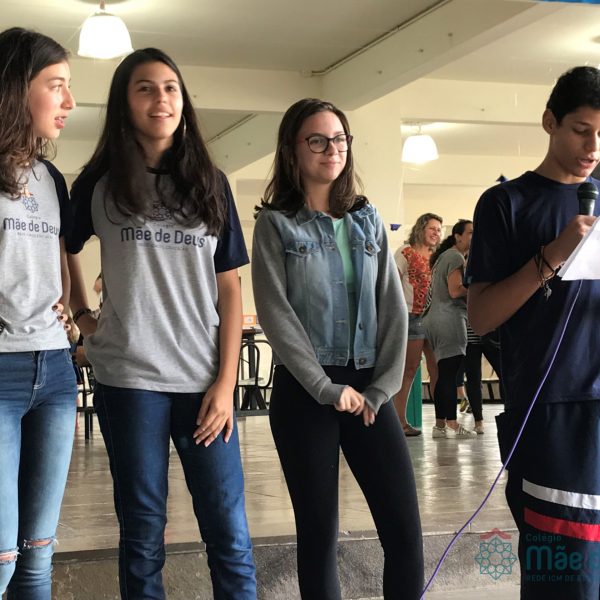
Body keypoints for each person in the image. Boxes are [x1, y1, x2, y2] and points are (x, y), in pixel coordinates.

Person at [66, 48, 256, 600]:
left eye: (171, 87)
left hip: (203, 382)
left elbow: (229, 288)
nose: (161, 98)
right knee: (143, 532)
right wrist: (82, 316)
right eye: (145, 88)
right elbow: (65, 245)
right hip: (130, 381)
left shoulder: (211, 182)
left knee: (228, 528)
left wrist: (225, 383)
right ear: (125, 103)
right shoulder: (99, 182)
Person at [251, 98, 423, 600]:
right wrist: (326, 388)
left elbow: (392, 306)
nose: (332, 149)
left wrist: (382, 389)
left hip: (368, 389)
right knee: (319, 535)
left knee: (404, 532)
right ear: (292, 149)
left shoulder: (367, 219)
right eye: (318, 140)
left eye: (340, 139)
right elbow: (276, 314)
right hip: (306, 392)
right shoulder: (276, 223)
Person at [467, 66, 600, 599]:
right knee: (566, 574)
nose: (593, 146)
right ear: (549, 122)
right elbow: (481, 316)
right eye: (581, 130)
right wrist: (555, 254)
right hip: (551, 411)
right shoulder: (506, 204)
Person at [0, 27, 77, 598]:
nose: (69, 101)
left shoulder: (51, 179)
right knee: (2, 558)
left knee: (36, 557)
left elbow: (57, 260)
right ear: (14, 88)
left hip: (54, 371)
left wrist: (68, 310)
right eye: (56, 85)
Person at [422, 219, 477, 439]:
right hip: (449, 319)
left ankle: (439, 426)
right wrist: (478, 291)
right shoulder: (455, 257)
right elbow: (455, 291)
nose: (474, 236)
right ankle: (453, 423)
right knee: (449, 374)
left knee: (443, 372)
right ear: (457, 236)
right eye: (470, 232)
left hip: (433, 319)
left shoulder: (443, 257)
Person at [393, 213, 442, 436]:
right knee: (409, 369)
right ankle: (399, 421)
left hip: (434, 317)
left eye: (439, 230)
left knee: (438, 368)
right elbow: (392, 282)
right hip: (411, 316)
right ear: (421, 228)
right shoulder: (405, 252)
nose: (436, 233)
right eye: (432, 228)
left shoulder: (437, 257)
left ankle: (442, 421)